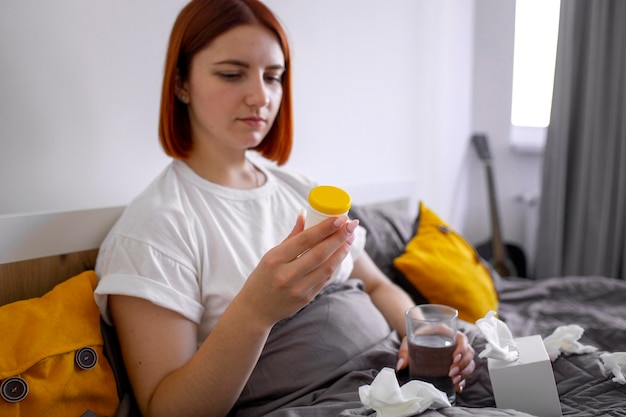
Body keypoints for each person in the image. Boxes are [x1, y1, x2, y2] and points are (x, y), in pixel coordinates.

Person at [94, 1, 476, 416]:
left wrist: (417, 332)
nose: (261, 96)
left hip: (395, 382)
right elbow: (167, 410)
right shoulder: (156, 227)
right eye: (231, 74)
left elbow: (378, 285)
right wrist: (257, 310)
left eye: (273, 77)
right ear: (181, 83)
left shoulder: (302, 191)